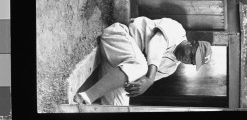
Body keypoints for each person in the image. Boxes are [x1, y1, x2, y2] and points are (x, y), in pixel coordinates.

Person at [73, 16, 212, 106]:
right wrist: (149, 79)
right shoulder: (177, 30)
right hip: (118, 37)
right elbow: (156, 45)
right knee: (142, 67)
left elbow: (140, 79)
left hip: (116, 65)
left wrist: (137, 85)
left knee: (119, 109)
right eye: (192, 55)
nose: (188, 59)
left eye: (192, 61)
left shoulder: (171, 68)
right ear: (192, 43)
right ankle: (86, 97)